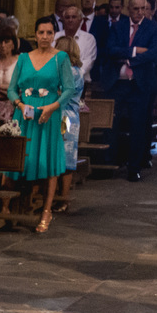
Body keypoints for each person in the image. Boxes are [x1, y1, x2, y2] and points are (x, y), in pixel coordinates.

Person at [11, 16, 74, 229]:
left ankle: (46, 210)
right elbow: (11, 89)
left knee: (49, 160)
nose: (45, 37)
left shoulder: (61, 58)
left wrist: (52, 107)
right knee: (22, 159)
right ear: (35, 34)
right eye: (41, 32)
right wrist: (20, 105)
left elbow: (69, 89)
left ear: (54, 35)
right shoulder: (23, 58)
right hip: (26, 112)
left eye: (49, 32)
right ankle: (17, 206)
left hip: (49, 112)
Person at [106, 0, 157, 181]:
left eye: (143, 8)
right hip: (119, 83)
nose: (139, 12)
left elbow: (155, 53)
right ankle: (110, 164)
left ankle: (134, 167)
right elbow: (111, 50)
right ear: (128, 9)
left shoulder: (154, 28)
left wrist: (130, 60)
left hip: (140, 84)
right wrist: (135, 51)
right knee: (112, 125)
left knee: (137, 126)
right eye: (136, 9)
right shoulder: (118, 26)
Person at [54, 36, 85, 213]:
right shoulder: (76, 71)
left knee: (65, 157)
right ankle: (60, 197)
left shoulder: (71, 71)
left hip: (65, 116)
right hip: (70, 116)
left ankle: (63, 198)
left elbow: (60, 92)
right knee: (63, 156)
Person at [57, 5, 97, 83]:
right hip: (57, 82)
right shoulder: (56, 36)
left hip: (81, 82)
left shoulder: (89, 38)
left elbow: (88, 62)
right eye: (67, 17)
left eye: (74, 17)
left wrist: (71, 76)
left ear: (80, 20)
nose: (70, 20)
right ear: (63, 20)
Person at [0, 27, 21, 125]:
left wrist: (1, 89)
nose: (3, 45)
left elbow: (23, 86)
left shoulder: (20, 61)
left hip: (14, 106)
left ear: (13, 43)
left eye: (6, 41)